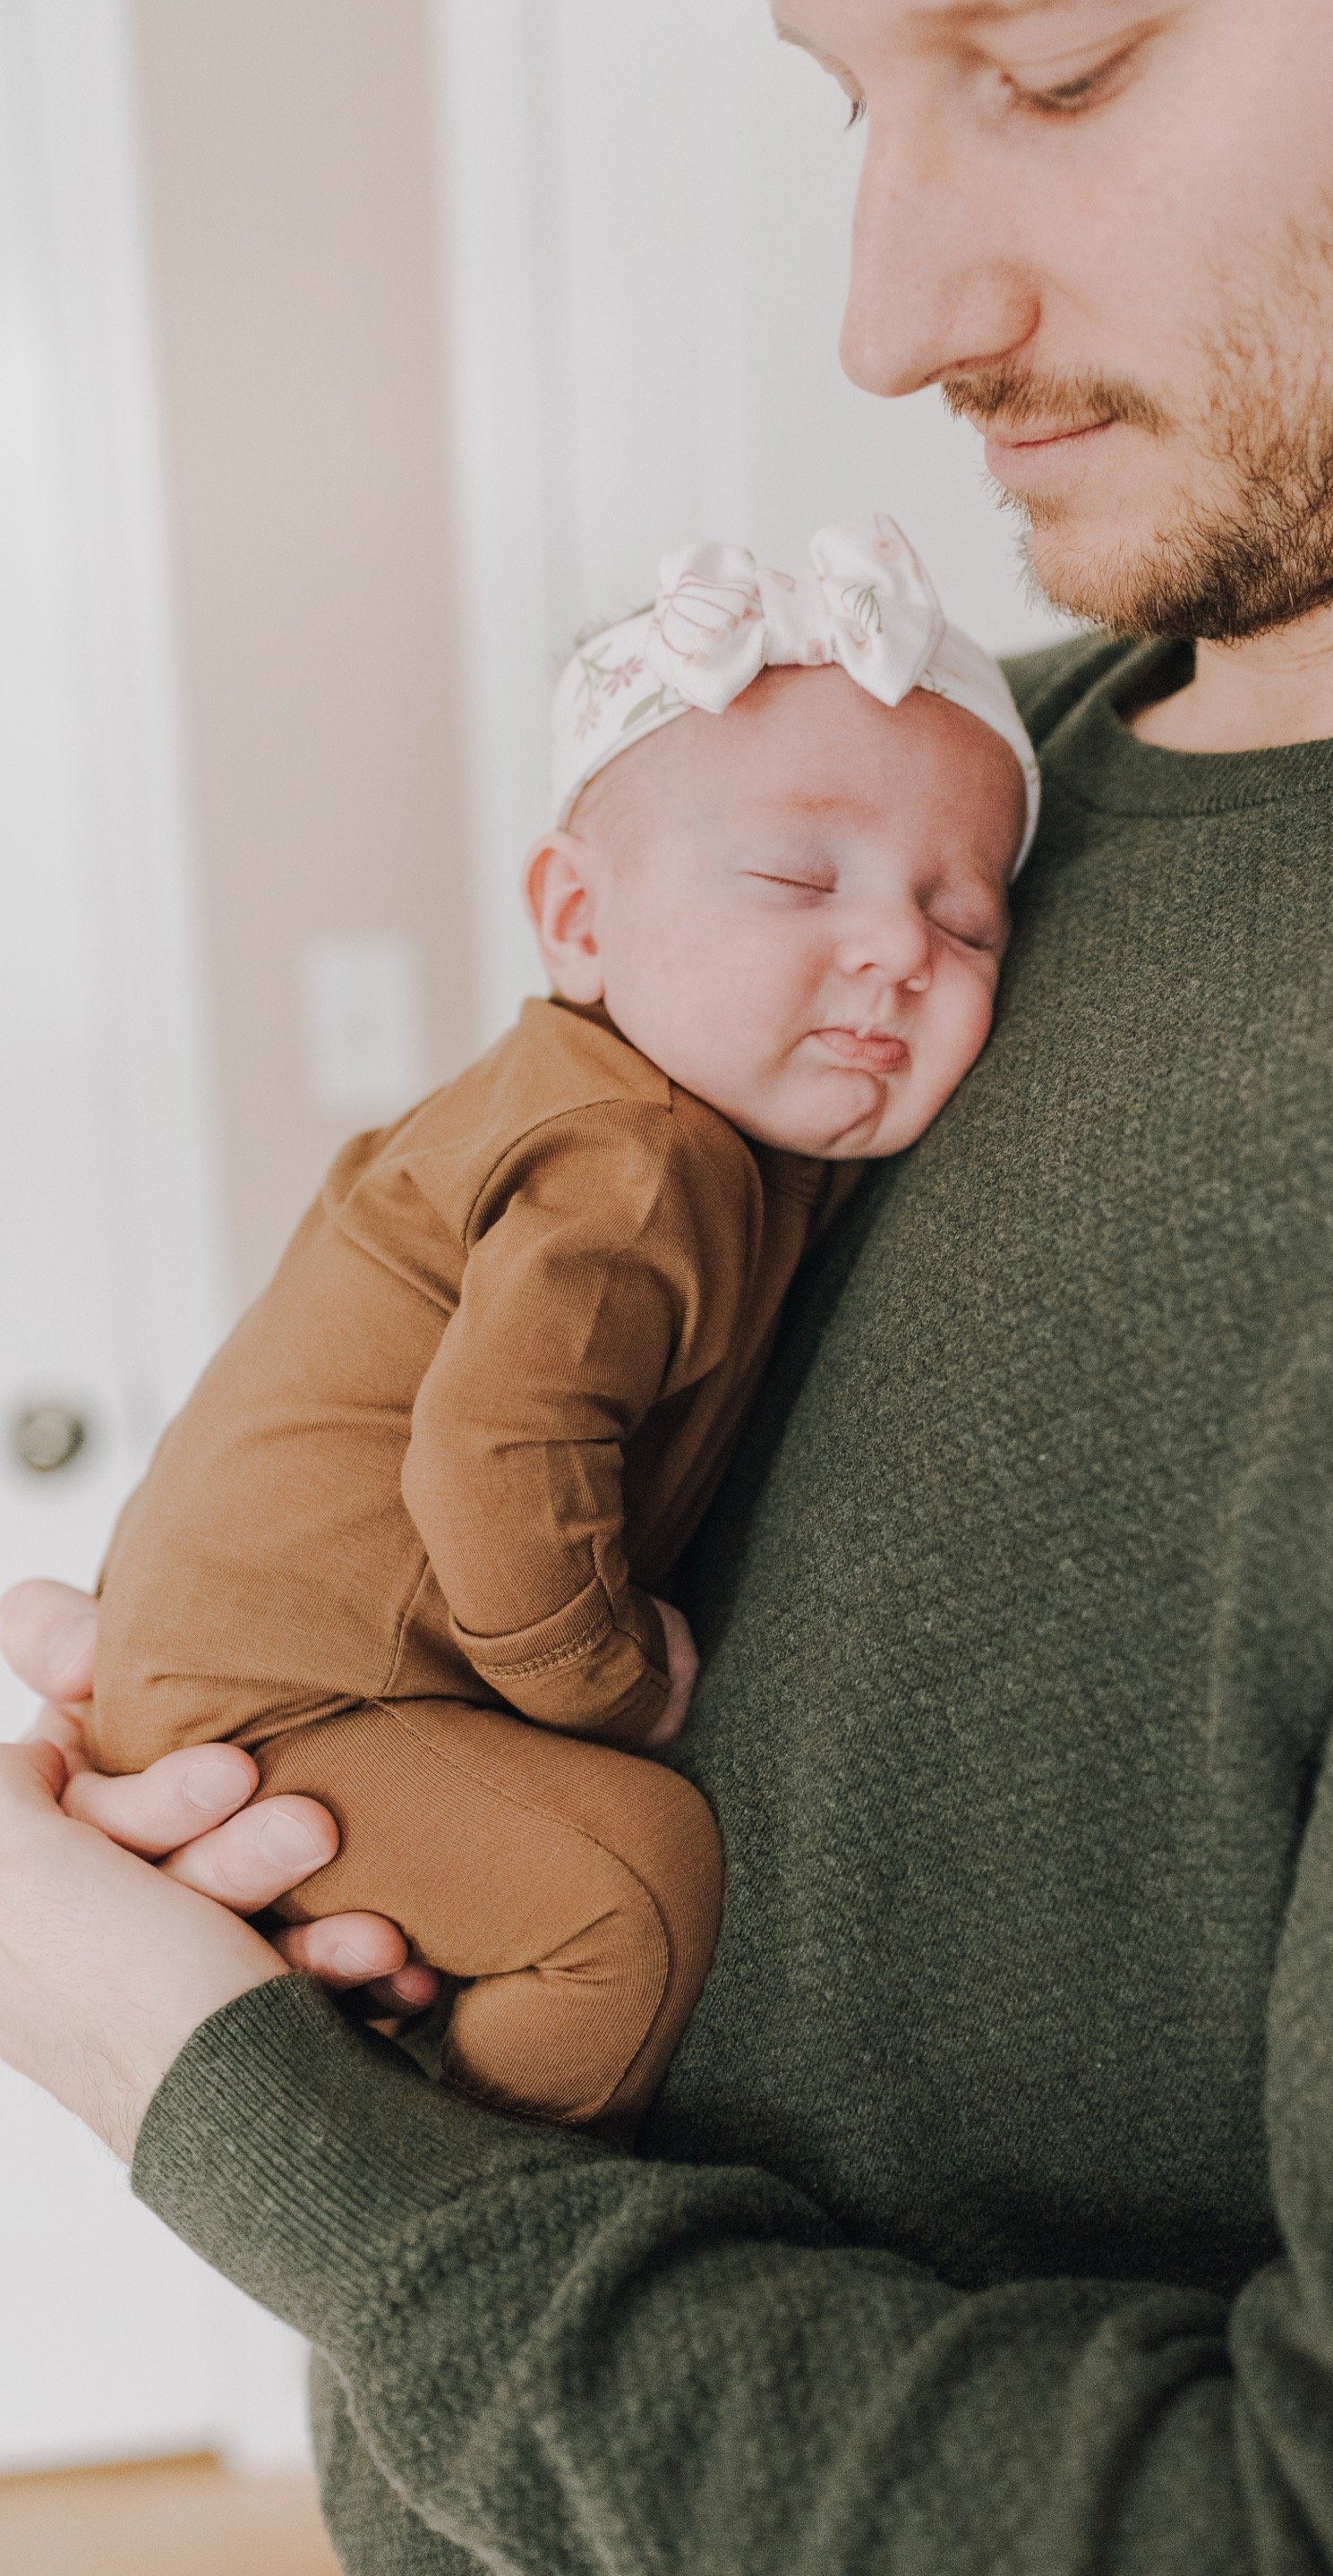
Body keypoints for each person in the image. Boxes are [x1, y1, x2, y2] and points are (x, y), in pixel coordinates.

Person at [1, 0, 1333, 2567]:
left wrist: (212, 2092)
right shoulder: (945, 805)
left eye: (1052, 66)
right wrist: (294, 1837)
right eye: (844, 95)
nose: (886, 318)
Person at [68, 518, 1034, 2128]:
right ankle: (459, 2212)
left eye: (972, 922)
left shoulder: (672, 1125)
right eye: (801, 876)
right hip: (293, 1697)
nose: (896, 949)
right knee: (631, 1891)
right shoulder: (636, 1155)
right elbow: (495, 1457)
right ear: (578, 921)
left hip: (239, 1656)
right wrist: (612, 1681)